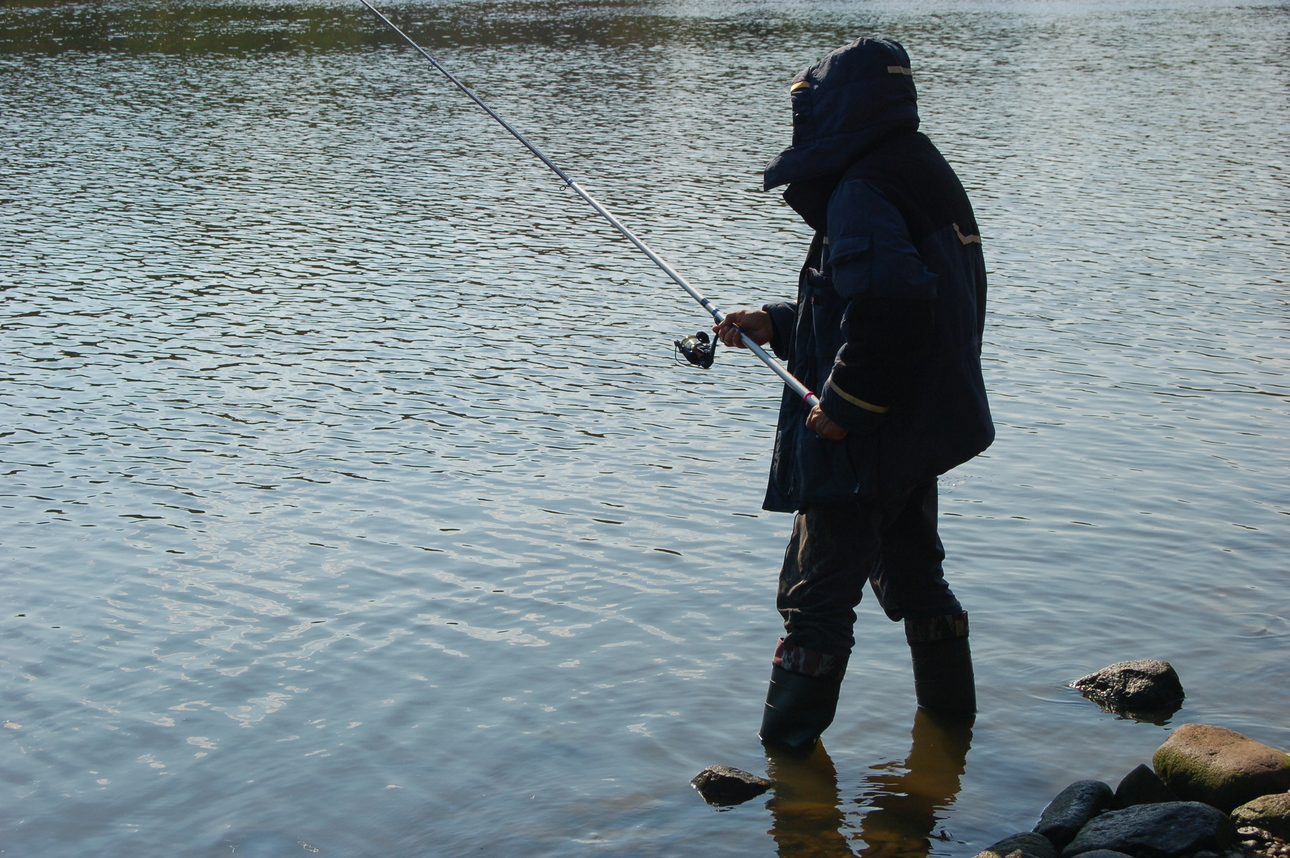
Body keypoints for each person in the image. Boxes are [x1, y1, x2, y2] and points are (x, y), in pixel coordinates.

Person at [714, 37, 994, 754]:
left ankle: (789, 776)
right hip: (916, 430)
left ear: (839, 107)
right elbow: (876, 296)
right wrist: (777, 322)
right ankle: (952, 728)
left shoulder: (864, 188)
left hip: (871, 437)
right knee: (916, 577)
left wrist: (844, 407)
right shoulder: (918, 168)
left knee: (814, 604)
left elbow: (895, 307)